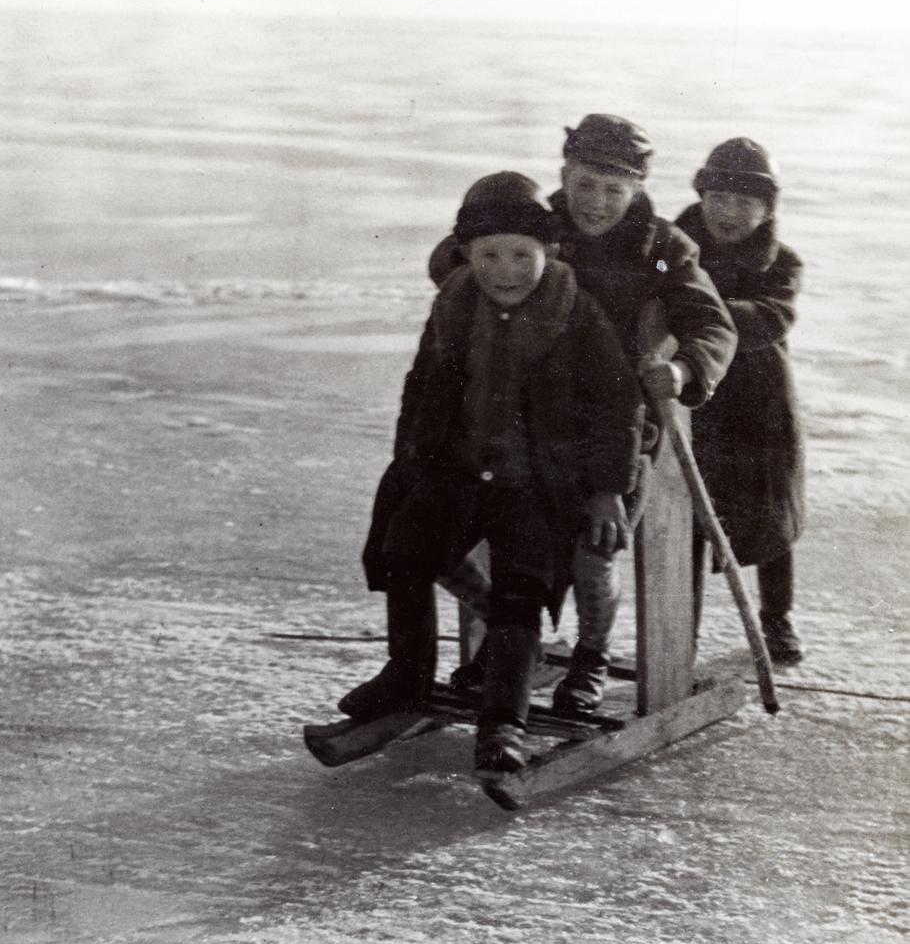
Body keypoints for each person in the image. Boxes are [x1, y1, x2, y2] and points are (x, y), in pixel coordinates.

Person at [430, 115, 738, 714]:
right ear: (564, 174)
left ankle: (590, 657)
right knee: (454, 535)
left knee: (593, 551)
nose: (596, 203)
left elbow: (712, 324)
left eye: (614, 190)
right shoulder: (536, 224)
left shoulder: (663, 248)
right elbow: (452, 260)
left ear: (638, 188)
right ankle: (514, 637)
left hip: (615, 429)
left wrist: (680, 370)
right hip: (518, 420)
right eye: (585, 184)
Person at [343, 172, 644, 774]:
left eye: (520, 255)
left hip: (541, 483)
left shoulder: (576, 312)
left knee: (519, 594)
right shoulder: (454, 304)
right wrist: (411, 463)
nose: (505, 270)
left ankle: (504, 721)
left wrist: (609, 489)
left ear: (549, 252)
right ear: (466, 255)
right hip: (459, 473)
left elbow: (619, 404)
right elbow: (422, 388)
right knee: (406, 553)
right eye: (489, 255)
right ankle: (406, 675)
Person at [676, 139, 805, 665]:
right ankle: (681, 626)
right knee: (690, 518)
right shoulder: (670, 251)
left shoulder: (782, 263)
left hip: (760, 405)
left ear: (767, 209)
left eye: (743, 203)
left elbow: (773, 317)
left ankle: (777, 617)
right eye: (718, 199)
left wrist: (702, 311)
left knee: (772, 520)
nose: (727, 213)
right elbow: (651, 286)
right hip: (695, 399)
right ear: (702, 197)